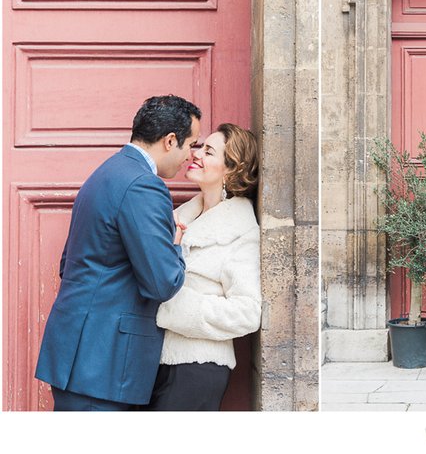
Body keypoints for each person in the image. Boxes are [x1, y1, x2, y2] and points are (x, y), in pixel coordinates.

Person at [35, 95, 202, 411]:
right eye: (190, 145)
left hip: (81, 357)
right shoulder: (144, 186)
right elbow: (162, 283)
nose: (189, 157)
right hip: (102, 364)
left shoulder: (106, 173)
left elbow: (68, 263)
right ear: (170, 141)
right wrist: (175, 247)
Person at [141, 123, 261, 411]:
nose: (196, 154)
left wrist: (174, 307)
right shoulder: (179, 220)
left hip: (197, 366)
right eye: (200, 147)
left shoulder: (241, 232)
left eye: (209, 151)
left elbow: (248, 312)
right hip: (154, 361)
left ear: (231, 170)